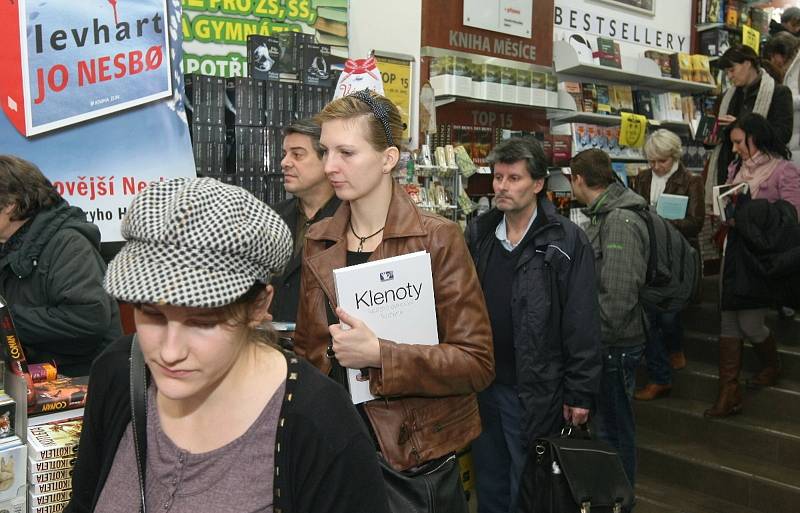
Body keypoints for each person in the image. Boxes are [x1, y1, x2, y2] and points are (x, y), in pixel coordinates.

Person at [65, 178, 390, 513]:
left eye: (203, 321)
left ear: (259, 307)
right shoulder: (118, 372)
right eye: (151, 314)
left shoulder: (319, 423)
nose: (170, 352)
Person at [294, 90, 494, 509]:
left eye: (347, 152)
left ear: (388, 159)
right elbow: (308, 350)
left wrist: (380, 353)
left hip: (408, 461)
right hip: (332, 456)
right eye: (326, 151)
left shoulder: (437, 239)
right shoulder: (319, 240)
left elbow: (476, 363)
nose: (330, 166)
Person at [465, 137, 602, 513]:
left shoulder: (565, 241)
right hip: (484, 384)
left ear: (538, 184)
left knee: (528, 485)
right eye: (497, 178)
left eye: (513, 178)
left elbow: (581, 319)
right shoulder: (480, 234)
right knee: (489, 480)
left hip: (534, 390)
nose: (502, 187)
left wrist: (580, 391)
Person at [705, 113, 800, 418]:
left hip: (758, 258)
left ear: (755, 138)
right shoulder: (735, 168)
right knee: (728, 319)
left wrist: (751, 214)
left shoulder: (784, 171)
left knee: (748, 323)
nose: (734, 149)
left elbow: (791, 219)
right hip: (733, 252)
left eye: (738, 142)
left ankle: (772, 363)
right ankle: (728, 391)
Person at [569, 148, 650, 487]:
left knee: (615, 432)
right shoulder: (607, 215)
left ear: (577, 180)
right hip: (611, 344)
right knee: (609, 430)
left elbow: (617, 297)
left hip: (615, 346)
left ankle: (621, 498)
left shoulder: (619, 220)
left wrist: (591, 343)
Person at [0, 155, 121, 377]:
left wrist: (7, 321)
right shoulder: (10, 243)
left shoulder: (69, 244)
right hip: (31, 375)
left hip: (82, 381)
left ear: (10, 204)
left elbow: (88, 319)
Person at [633, 130, 705, 400]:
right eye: (651, 161)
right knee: (651, 314)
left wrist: (661, 224)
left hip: (677, 258)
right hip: (650, 257)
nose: (655, 166)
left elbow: (696, 222)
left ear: (674, 156)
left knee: (669, 315)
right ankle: (661, 371)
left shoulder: (691, 181)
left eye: (661, 161)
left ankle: (674, 349)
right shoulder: (642, 178)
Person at [704, 45, 793, 214]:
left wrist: (743, 125)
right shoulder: (727, 97)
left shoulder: (778, 93)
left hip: (762, 175)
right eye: (727, 73)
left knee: (752, 220)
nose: (729, 76)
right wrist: (710, 139)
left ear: (747, 63)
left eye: (732, 70)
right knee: (725, 225)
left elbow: (783, 134)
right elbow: (722, 132)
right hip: (726, 169)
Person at [270, 118, 340, 324]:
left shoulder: (351, 222)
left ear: (326, 159)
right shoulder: (272, 218)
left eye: (297, 155)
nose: (285, 162)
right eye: (285, 154)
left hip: (327, 347)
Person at [764, 32, 800, 166]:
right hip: (792, 142)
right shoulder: (788, 70)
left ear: (782, 51)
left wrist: (784, 100)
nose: (773, 61)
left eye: (773, 56)